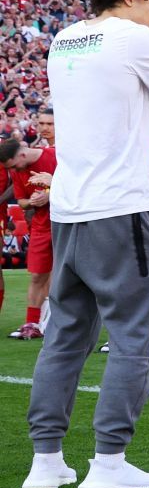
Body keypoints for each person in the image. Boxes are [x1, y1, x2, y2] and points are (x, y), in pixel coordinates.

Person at [20, 0, 149, 488]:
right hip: (122, 207)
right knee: (133, 336)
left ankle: (46, 461)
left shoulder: (64, 39)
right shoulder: (135, 38)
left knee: (64, 337)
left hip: (70, 209)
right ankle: (108, 461)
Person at [1, 111, 57, 338]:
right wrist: (31, 202)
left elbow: (77, 187)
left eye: (14, 166)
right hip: (42, 226)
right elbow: (22, 200)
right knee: (37, 275)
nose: (13, 171)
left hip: (66, 223)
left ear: (22, 155)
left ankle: (55, 322)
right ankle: (32, 324)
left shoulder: (54, 156)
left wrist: (50, 194)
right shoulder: (18, 170)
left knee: (62, 277)